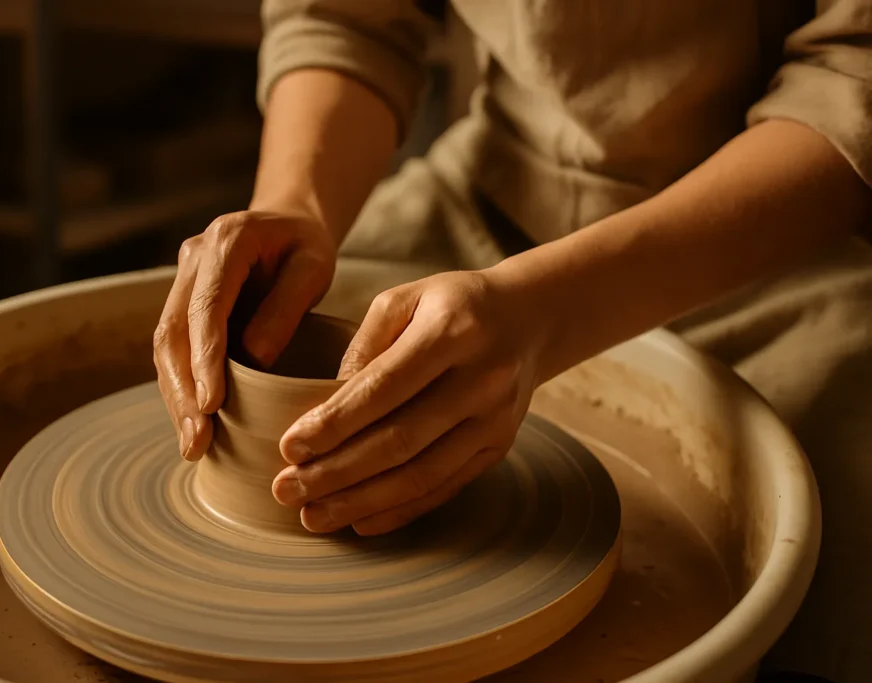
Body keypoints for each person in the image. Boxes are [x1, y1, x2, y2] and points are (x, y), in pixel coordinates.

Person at [152, 2, 872, 680]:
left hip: (774, 233)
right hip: (493, 186)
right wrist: (294, 207)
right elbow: (345, 17)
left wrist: (551, 313)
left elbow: (851, 82)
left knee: (839, 554)